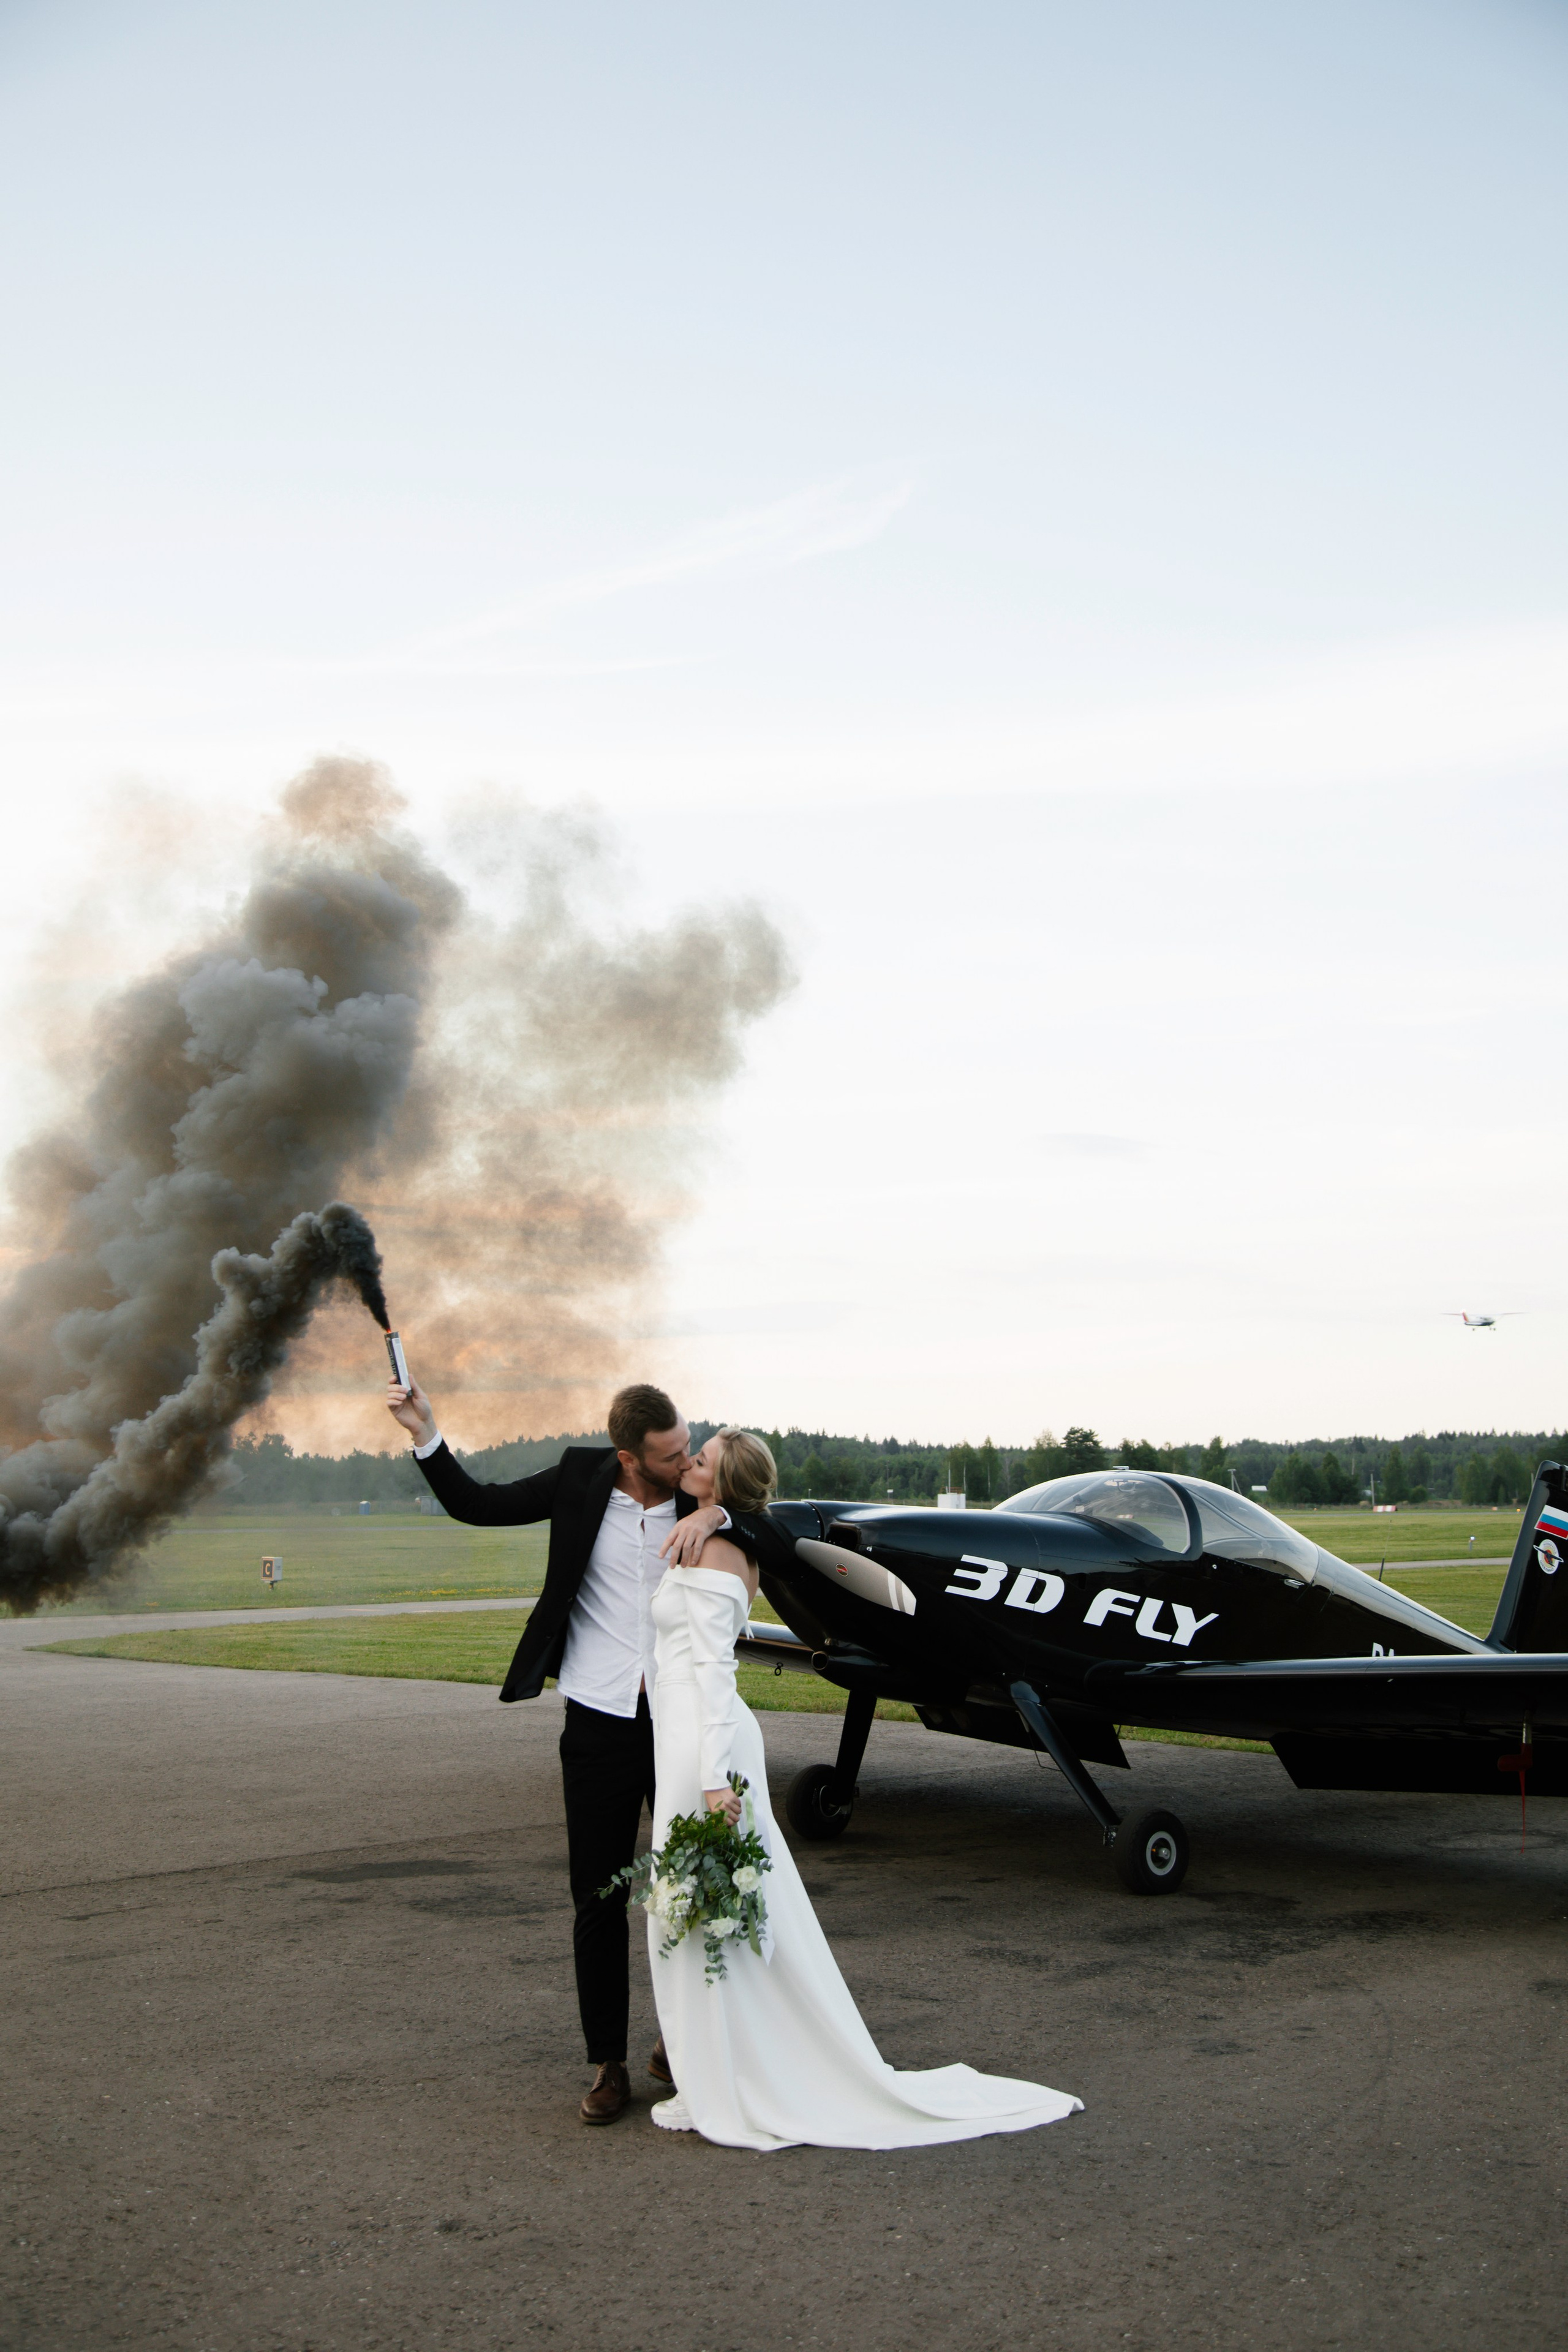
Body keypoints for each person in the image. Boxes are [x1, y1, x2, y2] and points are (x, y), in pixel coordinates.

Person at [645, 1426, 1083, 2152]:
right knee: (699, 1913)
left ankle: (737, 2075)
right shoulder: (711, 1533)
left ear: (723, 1486)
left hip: (706, 1746)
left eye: (701, 1461)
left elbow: (716, 1678)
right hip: (682, 1737)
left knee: (707, 1912)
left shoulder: (724, 1547)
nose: (687, 1464)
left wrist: (715, 1781)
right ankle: (718, 2068)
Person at [384, 1373, 788, 2125]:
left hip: (679, 1728)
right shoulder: (579, 1477)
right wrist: (425, 1433)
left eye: (688, 1449)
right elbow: (478, 1504)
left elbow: (777, 1529)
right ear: (628, 1456)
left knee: (693, 1891)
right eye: (669, 1454)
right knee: (599, 1897)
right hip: (599, 1719)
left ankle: (681, 2042)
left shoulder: (705, 1501)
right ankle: (608, 2062)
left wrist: (721, 1512)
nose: (685, 1459)